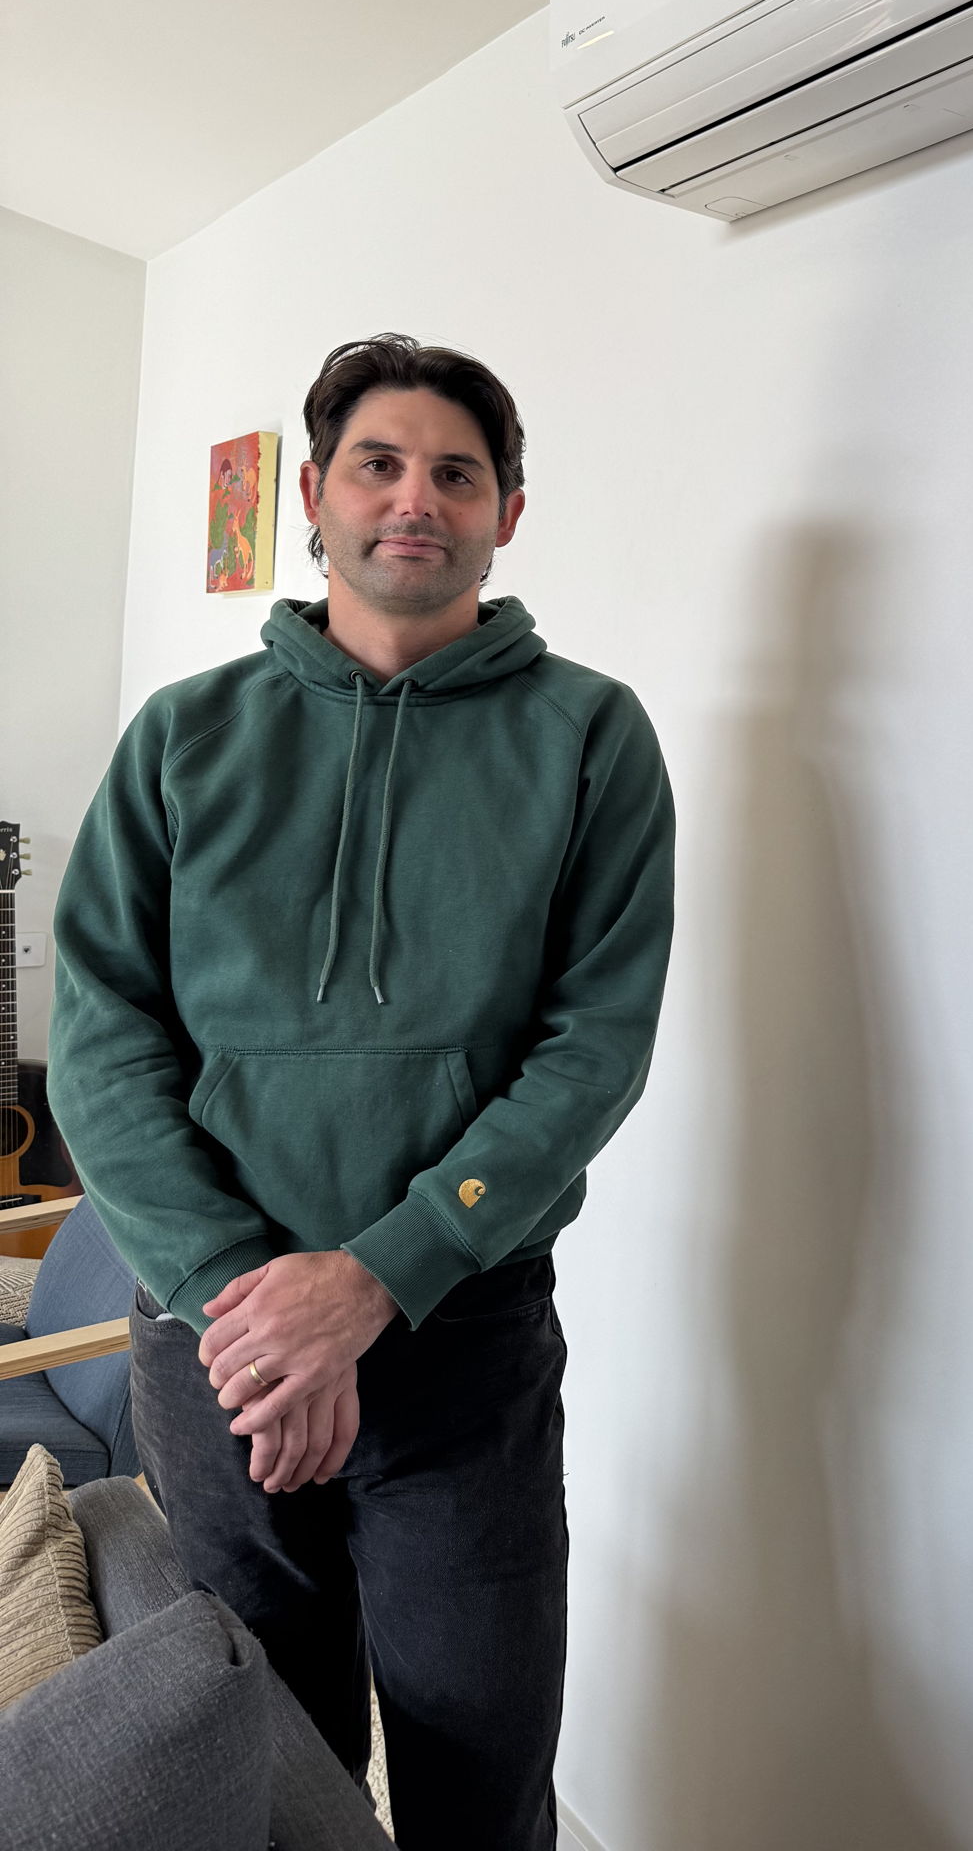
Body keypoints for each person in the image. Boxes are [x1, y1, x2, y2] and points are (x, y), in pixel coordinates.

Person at [49, 333, 675, 1850]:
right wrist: (251, 1295)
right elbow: (102, 1037)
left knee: (479, 1754)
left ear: (505, 512)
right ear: (315, 497)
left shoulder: (591, 736)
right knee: (265, 1750)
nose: (419, 498)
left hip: (462, 1345)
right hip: (216, 1351)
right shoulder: (184, 740)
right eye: (380, 465)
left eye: (457, 472)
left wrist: (374, 1281)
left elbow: (592, 1049)